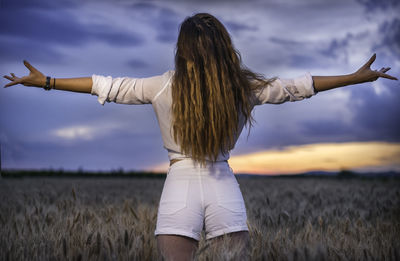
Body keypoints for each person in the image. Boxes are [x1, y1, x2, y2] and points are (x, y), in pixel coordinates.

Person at [3, 12, 397, 261]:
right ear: (224, 48)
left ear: (183, 51)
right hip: (224, 184)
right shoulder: (243, 88)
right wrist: (353, 78)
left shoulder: (162, 86)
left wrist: (49, 82)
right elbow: (297, 86)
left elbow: (106, 85)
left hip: (179, 186)